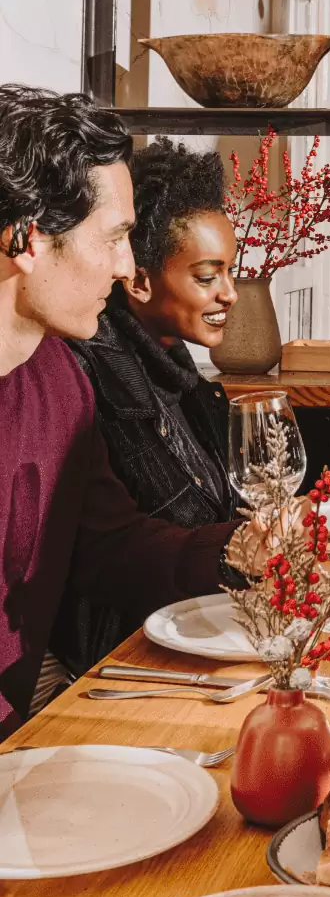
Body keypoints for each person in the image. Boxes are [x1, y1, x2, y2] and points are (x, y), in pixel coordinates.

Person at [0, 85, 268, 736]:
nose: (127, 267)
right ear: (30, 239)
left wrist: (242, 550)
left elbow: (110, 546)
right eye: (116, 238)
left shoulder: (61, 381)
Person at [50, 139, 239, 676]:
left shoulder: (187, 382)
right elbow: (111, 553)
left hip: (198, 640)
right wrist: (235, 548)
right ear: (137, 279)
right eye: (207, 276)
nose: (229, 293)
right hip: (124, 660)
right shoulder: (89, 374)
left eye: (230, 271)